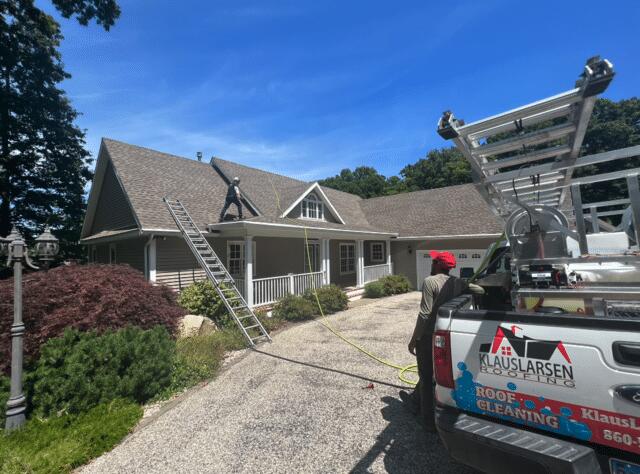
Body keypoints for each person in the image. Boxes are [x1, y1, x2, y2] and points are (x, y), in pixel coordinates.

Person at [399, 250, 484, 431]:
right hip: (447, 337)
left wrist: (414, 339)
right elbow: (480, 290)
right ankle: (415, 400)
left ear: (437, 265)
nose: (431, 264)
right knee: (436, 376)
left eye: (433, 261)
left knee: (426, 375)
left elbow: (424, 314)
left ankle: (428, 422)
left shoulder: (430, 282)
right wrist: (467, 284)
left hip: (429, 335)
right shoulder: (457, 282)